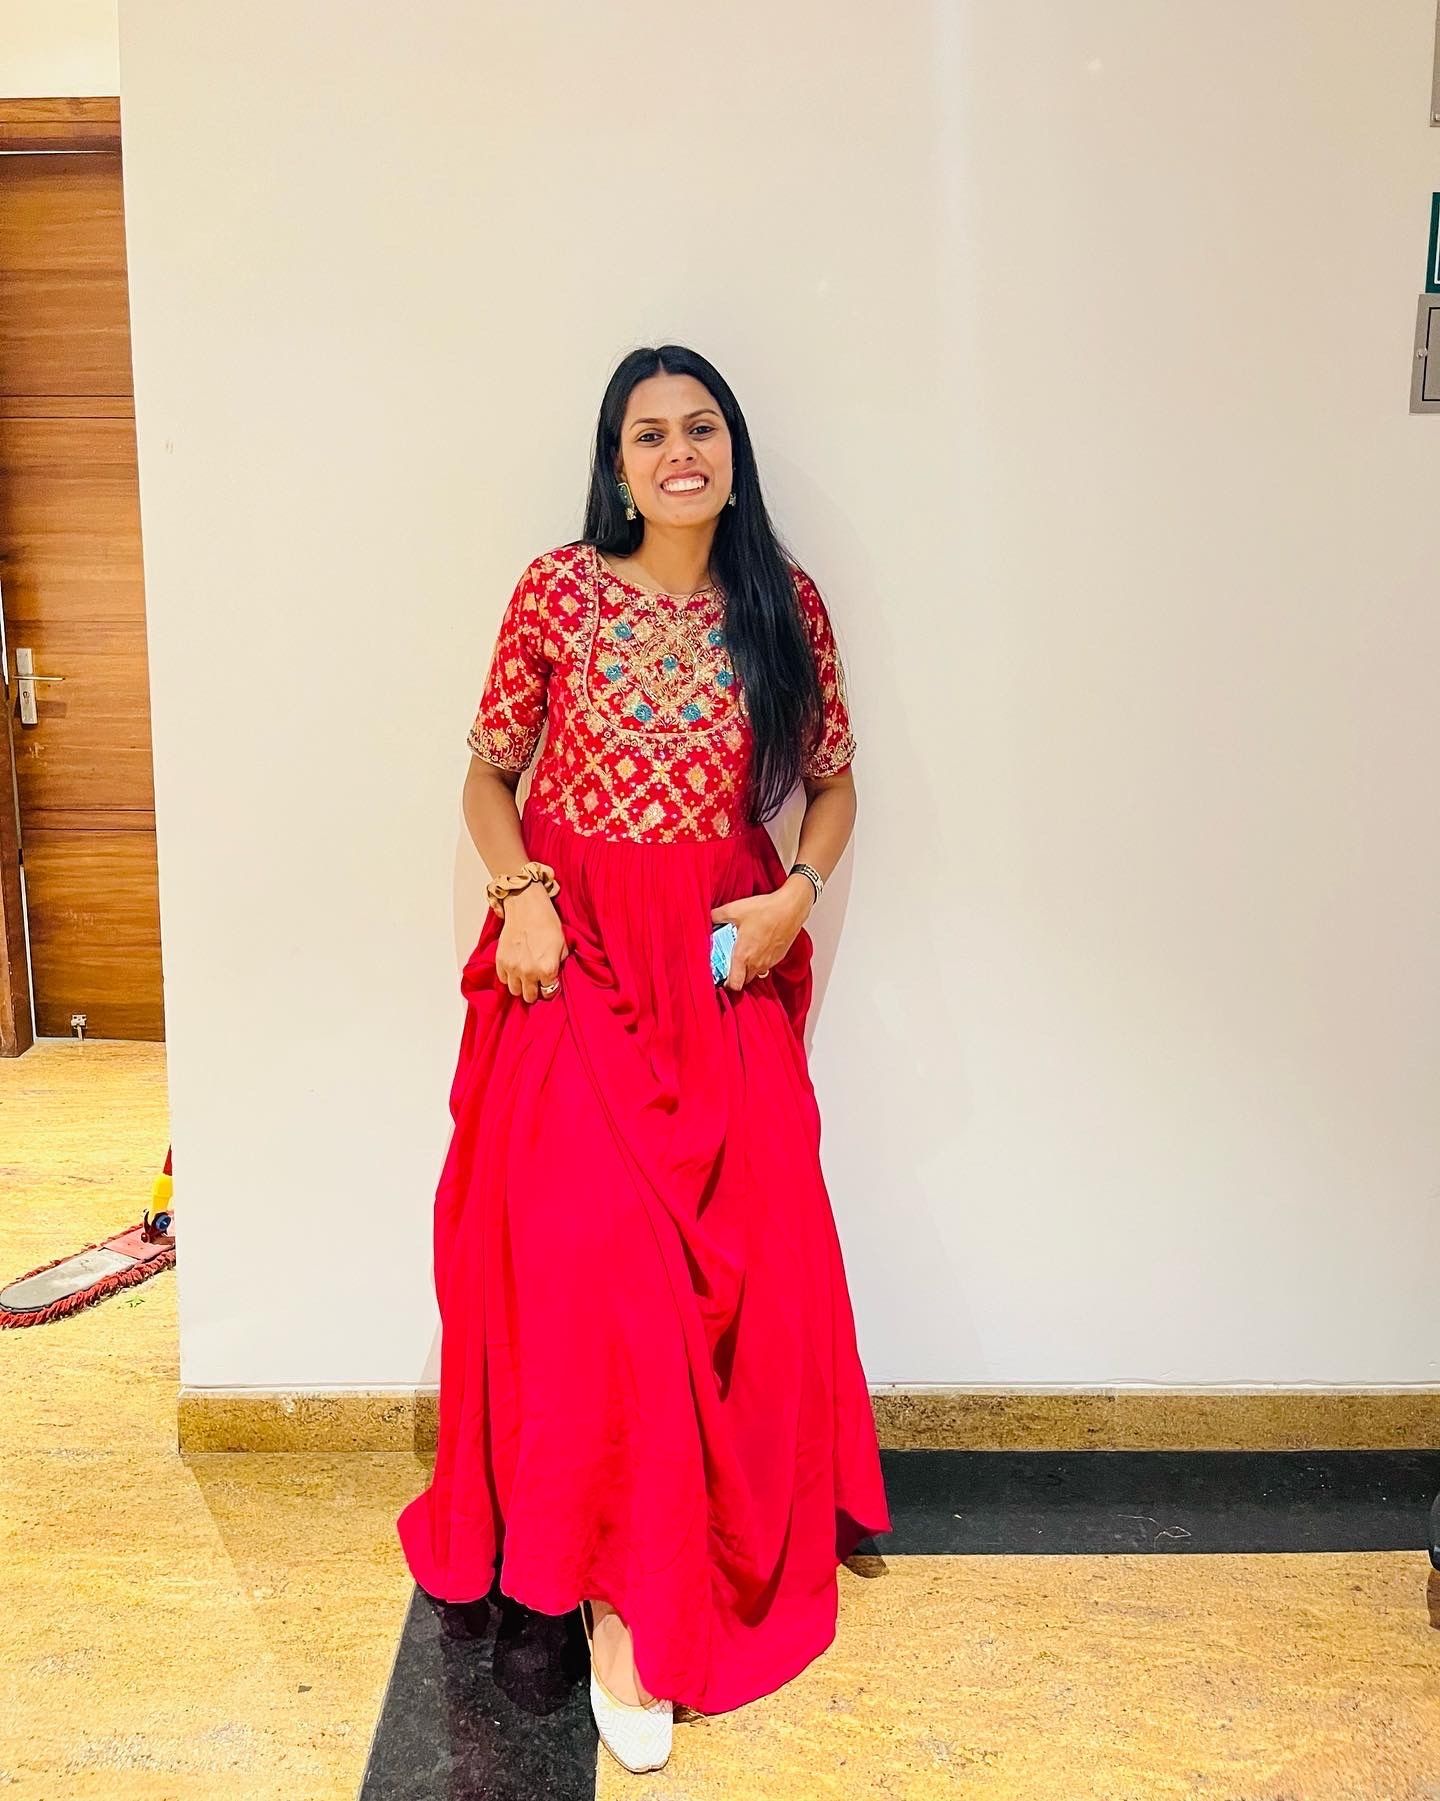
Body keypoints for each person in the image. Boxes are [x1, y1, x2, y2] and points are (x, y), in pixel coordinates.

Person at [396, 343, 891, 1774]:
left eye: (701, 427)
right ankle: (589, 1579)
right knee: (588, 1256)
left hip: (716, 963)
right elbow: (489, 774)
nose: (681, 453)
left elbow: (835, 782)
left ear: (733, 451)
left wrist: (796, 895)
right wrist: (521, 896)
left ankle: (646, 1593)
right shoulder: (557, 592)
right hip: (574, 955)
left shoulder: (783, 606)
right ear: (615, 468)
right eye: (649, 434)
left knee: (748, 1254)